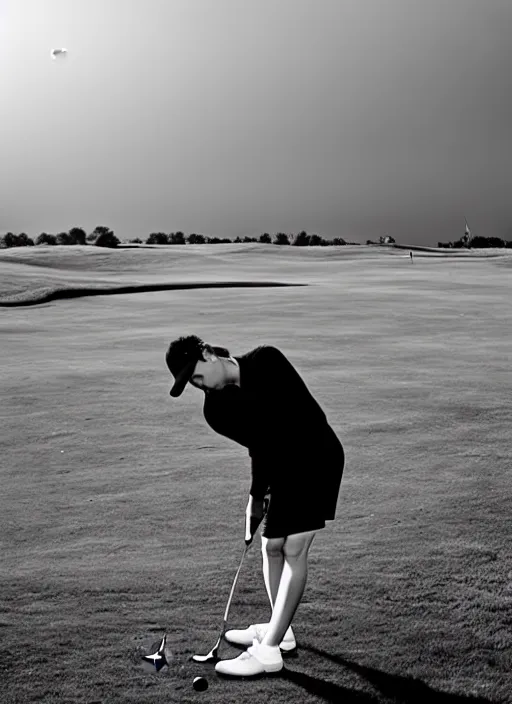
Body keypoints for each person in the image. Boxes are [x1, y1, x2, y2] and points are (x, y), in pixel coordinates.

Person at [166, 335, 345, 677]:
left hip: (316, 455)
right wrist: (255, 500)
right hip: (283, 466)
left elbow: (291, 426)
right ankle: (283, 632)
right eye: (191, 382)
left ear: (208, 353)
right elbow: (259, 446)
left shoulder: (268, 361)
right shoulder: (215, 409)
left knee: (294, 548)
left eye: (198, 374)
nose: (198, 385)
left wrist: (259, 494)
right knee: (271, 546)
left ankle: (268, 652)